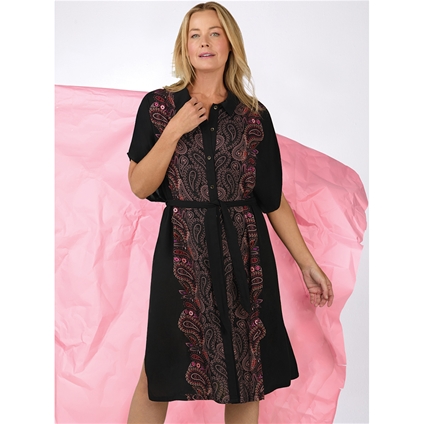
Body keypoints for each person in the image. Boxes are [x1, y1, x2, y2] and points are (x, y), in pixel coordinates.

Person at [126, 2, 334, 423]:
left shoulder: (254, 115)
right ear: (184, 46)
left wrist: (307, 264)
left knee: (246, 373)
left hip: (245, 255)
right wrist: (174, 130)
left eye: (214, 33)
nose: (204, 42)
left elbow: (272, 199)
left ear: (230, 43)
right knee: (159, 370)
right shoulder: (159, 106)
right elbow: (139, 185)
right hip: (182, 254)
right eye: (195, 34)